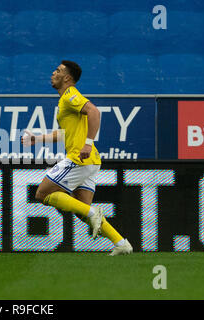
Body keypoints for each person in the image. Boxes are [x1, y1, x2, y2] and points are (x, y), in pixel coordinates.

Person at [21, 60, 132, 256]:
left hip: (79, 158)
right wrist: (36, 139)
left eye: (58, 71)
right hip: (91, 162)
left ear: (67, 78)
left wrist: (88, 142)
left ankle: (94, 213)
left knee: (42, 194)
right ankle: (121, 242)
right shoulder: (65, 100)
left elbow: (94, 112)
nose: (53, 73)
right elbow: (64, 133)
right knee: (82, 211)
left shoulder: (70, 94)